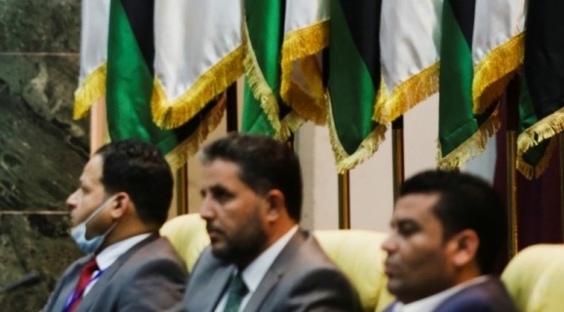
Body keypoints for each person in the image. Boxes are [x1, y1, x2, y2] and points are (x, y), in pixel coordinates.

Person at [178, 133, 358, 312]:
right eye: (205, 196)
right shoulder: (212, 262)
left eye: (222, 196)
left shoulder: (318, 286)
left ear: (272, 206)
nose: (205, 212)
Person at [41, 140, 188, 312]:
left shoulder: (154, 274)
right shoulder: (81, 269)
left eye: (85, 190)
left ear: (118, 205)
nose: (71, 200)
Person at [381, 170, 516, 312]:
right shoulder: (409, 305)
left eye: (407, 230)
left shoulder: (475, 308)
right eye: (393, 230)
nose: (387, 245)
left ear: (463, 248)